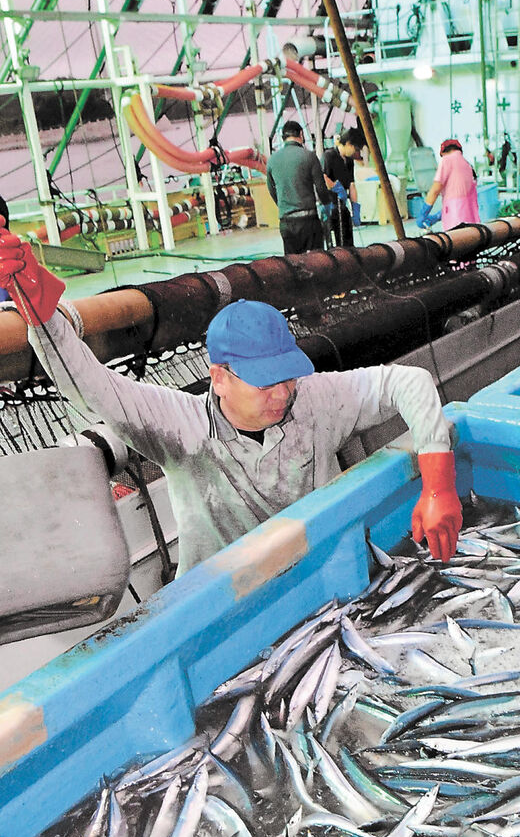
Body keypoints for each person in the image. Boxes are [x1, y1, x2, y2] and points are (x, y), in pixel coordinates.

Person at [0, 223, 464, 575]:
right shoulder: (179, 426)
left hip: (318, 573)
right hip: (222, 597)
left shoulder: (318, 399)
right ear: (218, 377)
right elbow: (89, 387)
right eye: (264, 383)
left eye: (287, 377)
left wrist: (439, 486)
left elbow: (411, 382)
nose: (282, 394)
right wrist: (42, 314)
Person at [266, 120, 333, 256]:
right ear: (301, 134)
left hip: (286, 223)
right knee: (317, 263)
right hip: (308, 222)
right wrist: (328, 205)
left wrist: (284, 206)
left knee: (293, 266)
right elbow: (321, 188)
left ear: (283, 137)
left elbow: (272, 190)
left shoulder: (272, 160)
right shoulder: (309, 156)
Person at [417, 139, 480, 232]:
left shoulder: (447, 160)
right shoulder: (467, 165)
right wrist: (440, 215)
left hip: (455, 223)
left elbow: (435, 190)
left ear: (443, 152)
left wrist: (423, 214)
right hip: (472, 222)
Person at [323, 127, 363, 247]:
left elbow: (351, 184)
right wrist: (335, 187)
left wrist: (356, 207)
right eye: (356, 149)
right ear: (349, 144)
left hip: (343, 204)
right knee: (337, 242)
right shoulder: (329, 156)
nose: (356, 152)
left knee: (348, 239)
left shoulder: (349, 161)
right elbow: (322, 176)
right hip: (331, 206)